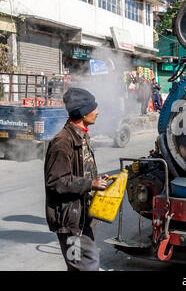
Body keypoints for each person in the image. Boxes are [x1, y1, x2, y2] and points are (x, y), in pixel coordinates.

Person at [44, 87, 109, 271]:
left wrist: (95, 179)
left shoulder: (81, 135)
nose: (97, 112)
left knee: (82, 266)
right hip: (71, 223)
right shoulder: (62, 142)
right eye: (93, 108)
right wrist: (90, 184)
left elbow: (79, 172)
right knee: (85, 267)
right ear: (82, 112)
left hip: (83, 217)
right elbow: (56, 182)